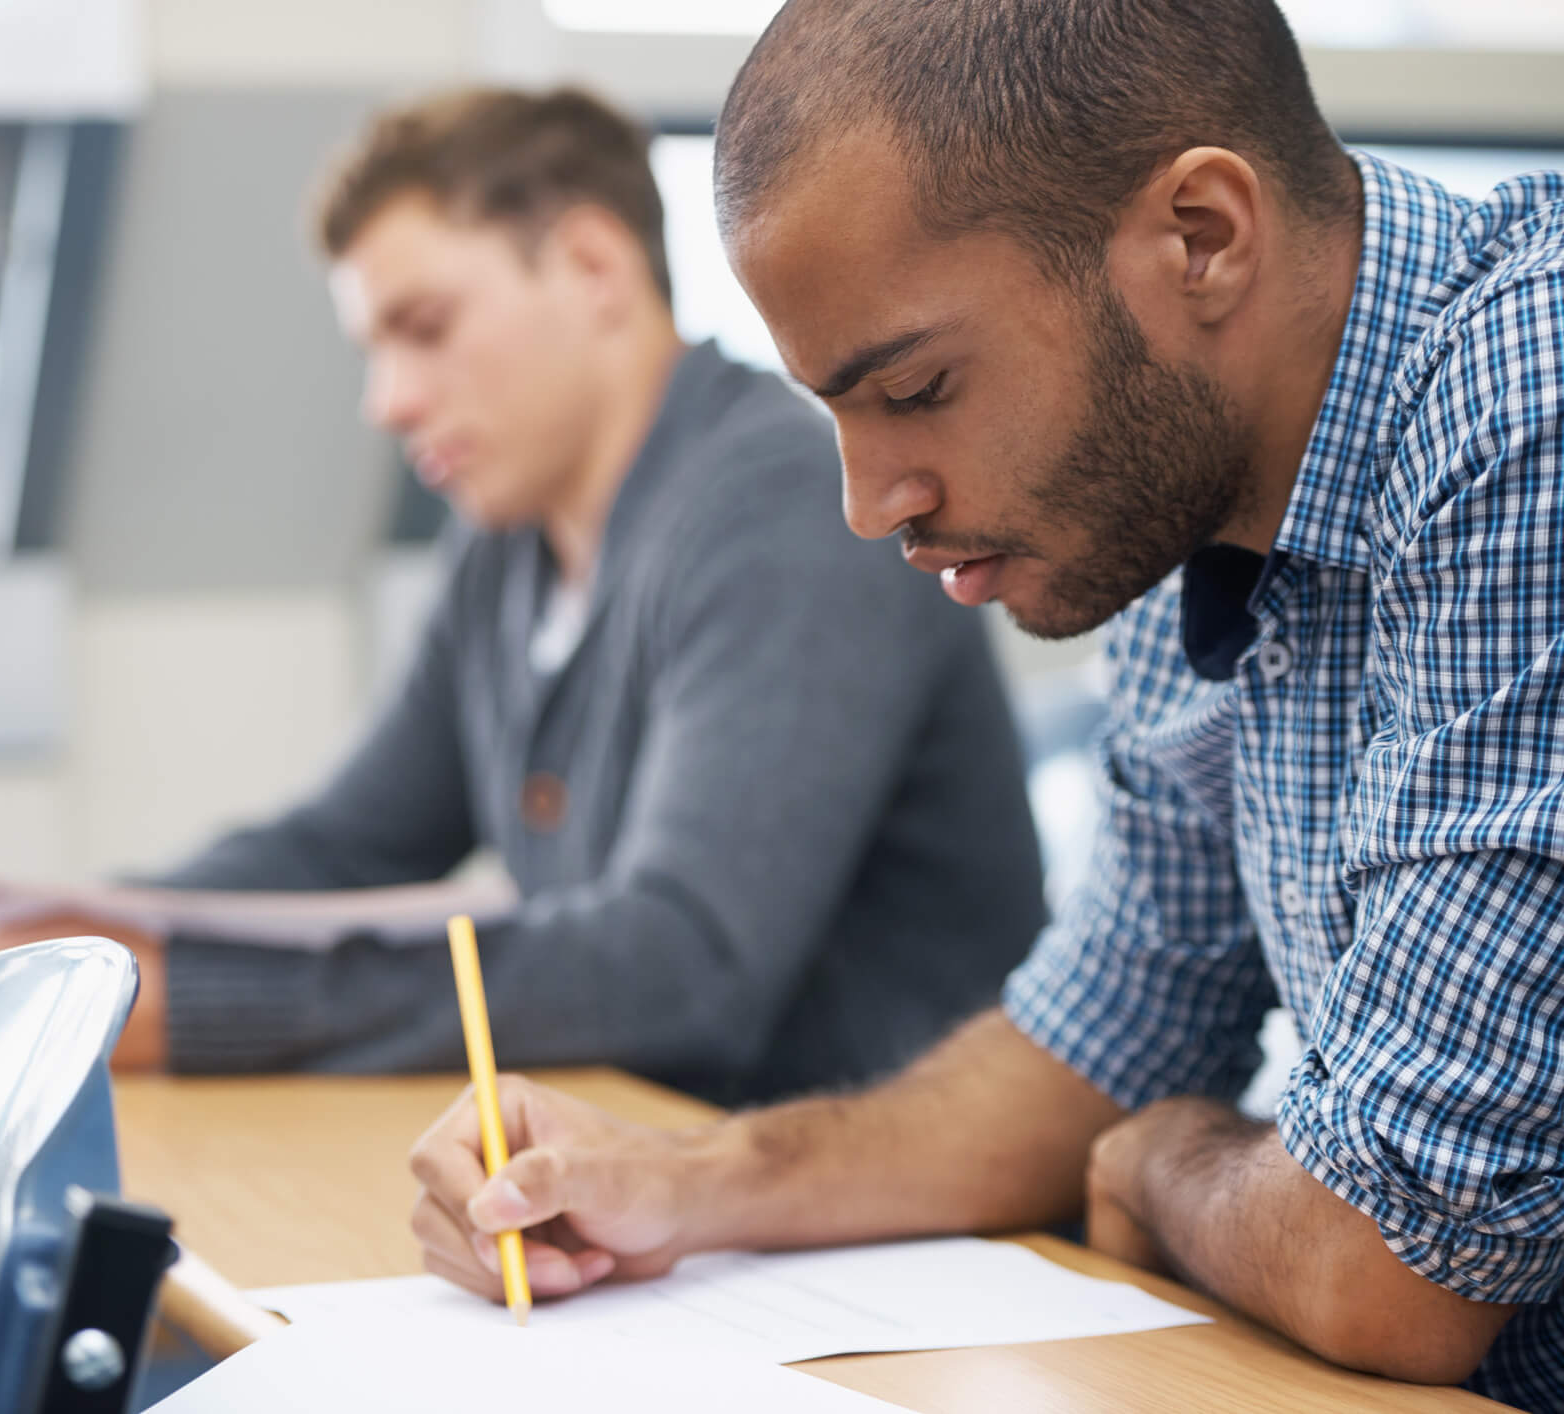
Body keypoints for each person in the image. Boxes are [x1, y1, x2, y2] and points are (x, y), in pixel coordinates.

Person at [405, 4, 1564, 1404]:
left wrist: (1159, 1158)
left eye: (914, 387)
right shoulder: (1185, 493)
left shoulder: (1526, 397)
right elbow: (1103, 1033)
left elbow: (1390, 1265)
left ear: (1199, 235)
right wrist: (684, 1179)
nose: (865, 500)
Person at [0, 85, 1046, 1106]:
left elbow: (680, 966)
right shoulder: (508, 542)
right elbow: (342, 846)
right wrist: (72, 931)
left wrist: (197, 1005)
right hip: (668, 1191)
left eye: (426, 328)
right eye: (373, 350)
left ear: (594, 268)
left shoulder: (784, 504)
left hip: (891, 1242)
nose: (387, 402)